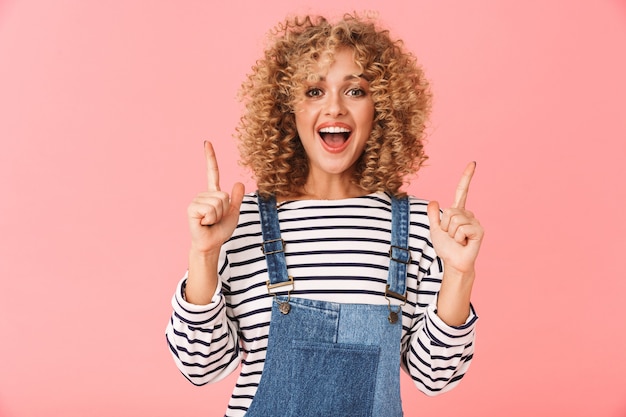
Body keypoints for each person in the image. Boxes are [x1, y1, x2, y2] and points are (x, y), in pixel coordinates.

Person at [166, 12, 484, 417]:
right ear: (288, 109)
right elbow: (200, 367)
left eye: (355, 91)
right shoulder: (236, 224)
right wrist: (204, 256)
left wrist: (459, 274)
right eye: (314, 91)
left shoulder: (424, 229)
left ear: (382, 108)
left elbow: (434, 377)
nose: (334, 108)